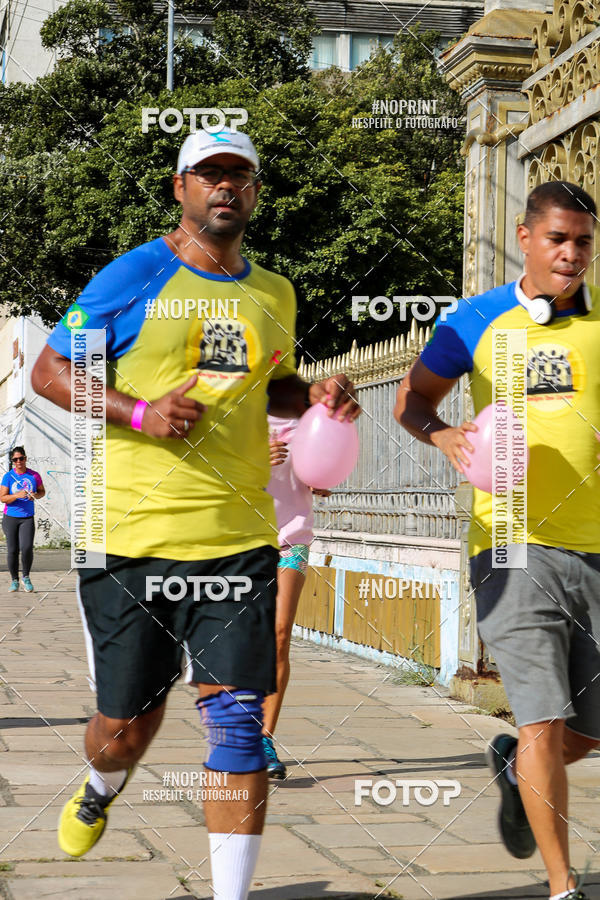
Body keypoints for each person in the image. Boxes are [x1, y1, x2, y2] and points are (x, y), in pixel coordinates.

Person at [31, 126, 359, 900]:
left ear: (253, 191)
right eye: (207, 176)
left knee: (239, 722)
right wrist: (139, 412)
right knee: (124, 732)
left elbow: (271, 381)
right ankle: (100, 788)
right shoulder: (133, 276)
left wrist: (309, 396)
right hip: (132, 544)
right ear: (179, 189)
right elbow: (49, 372)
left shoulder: (272, 291)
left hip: (240, 543)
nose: (224, 188)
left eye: (238, 176)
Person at [395, 181, 599, 900]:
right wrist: (444, 432)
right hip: (510, 543)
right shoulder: (475, 321)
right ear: (524, 236)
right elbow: (412, 401)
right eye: (558, 240)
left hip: (596, 545)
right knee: (542, 717)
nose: (572, 255)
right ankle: (562, 885)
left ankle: (515, 769)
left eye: (583, 242)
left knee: (586, 731)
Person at [262, 411, 330, 779]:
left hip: (291, 537)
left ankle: (264, 738)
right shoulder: (230, 410)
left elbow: (324, 466)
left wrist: (321, 480)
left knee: (280, 633)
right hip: (240, 538)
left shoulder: (309, 421)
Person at [1, 447, 45, 592]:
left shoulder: (34, 475)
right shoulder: (8, 477)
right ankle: (14, 580)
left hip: (27, 518)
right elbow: (3, 498)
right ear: (12, 461)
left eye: (21, 458)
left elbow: (41, 492)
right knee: (13, 550)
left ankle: (26, 577)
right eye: (15, 459)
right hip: (10, 518)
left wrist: (35, 495)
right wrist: (16, 496)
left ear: (25, 458)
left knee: (26, 548)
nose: (18, 462)